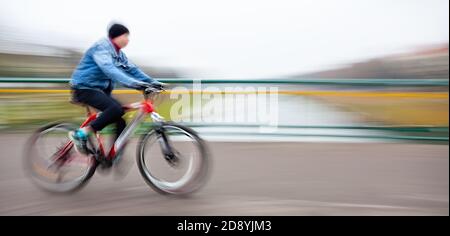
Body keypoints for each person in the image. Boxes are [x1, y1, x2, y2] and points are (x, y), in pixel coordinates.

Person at [69, 23, 163, 155]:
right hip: (84, 88)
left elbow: (133, 70)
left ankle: (113, 155)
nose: (128, 39)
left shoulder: (119, 54)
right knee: (115, 109)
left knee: (120, 118)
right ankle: (81, 134)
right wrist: (135, 84)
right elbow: (110, 70)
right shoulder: (101, 48)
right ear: (116, 36)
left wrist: (152, 82)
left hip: (100, 91)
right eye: (126, 36)